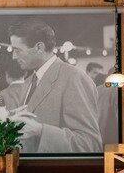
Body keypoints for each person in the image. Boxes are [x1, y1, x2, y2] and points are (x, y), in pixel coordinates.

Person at [8, 19, 101, 153]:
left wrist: (40, 131)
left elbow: (90, 144)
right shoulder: (28, 82)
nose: (13, 56)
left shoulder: (74, 77)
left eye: (17, 50)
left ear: (39, 48)